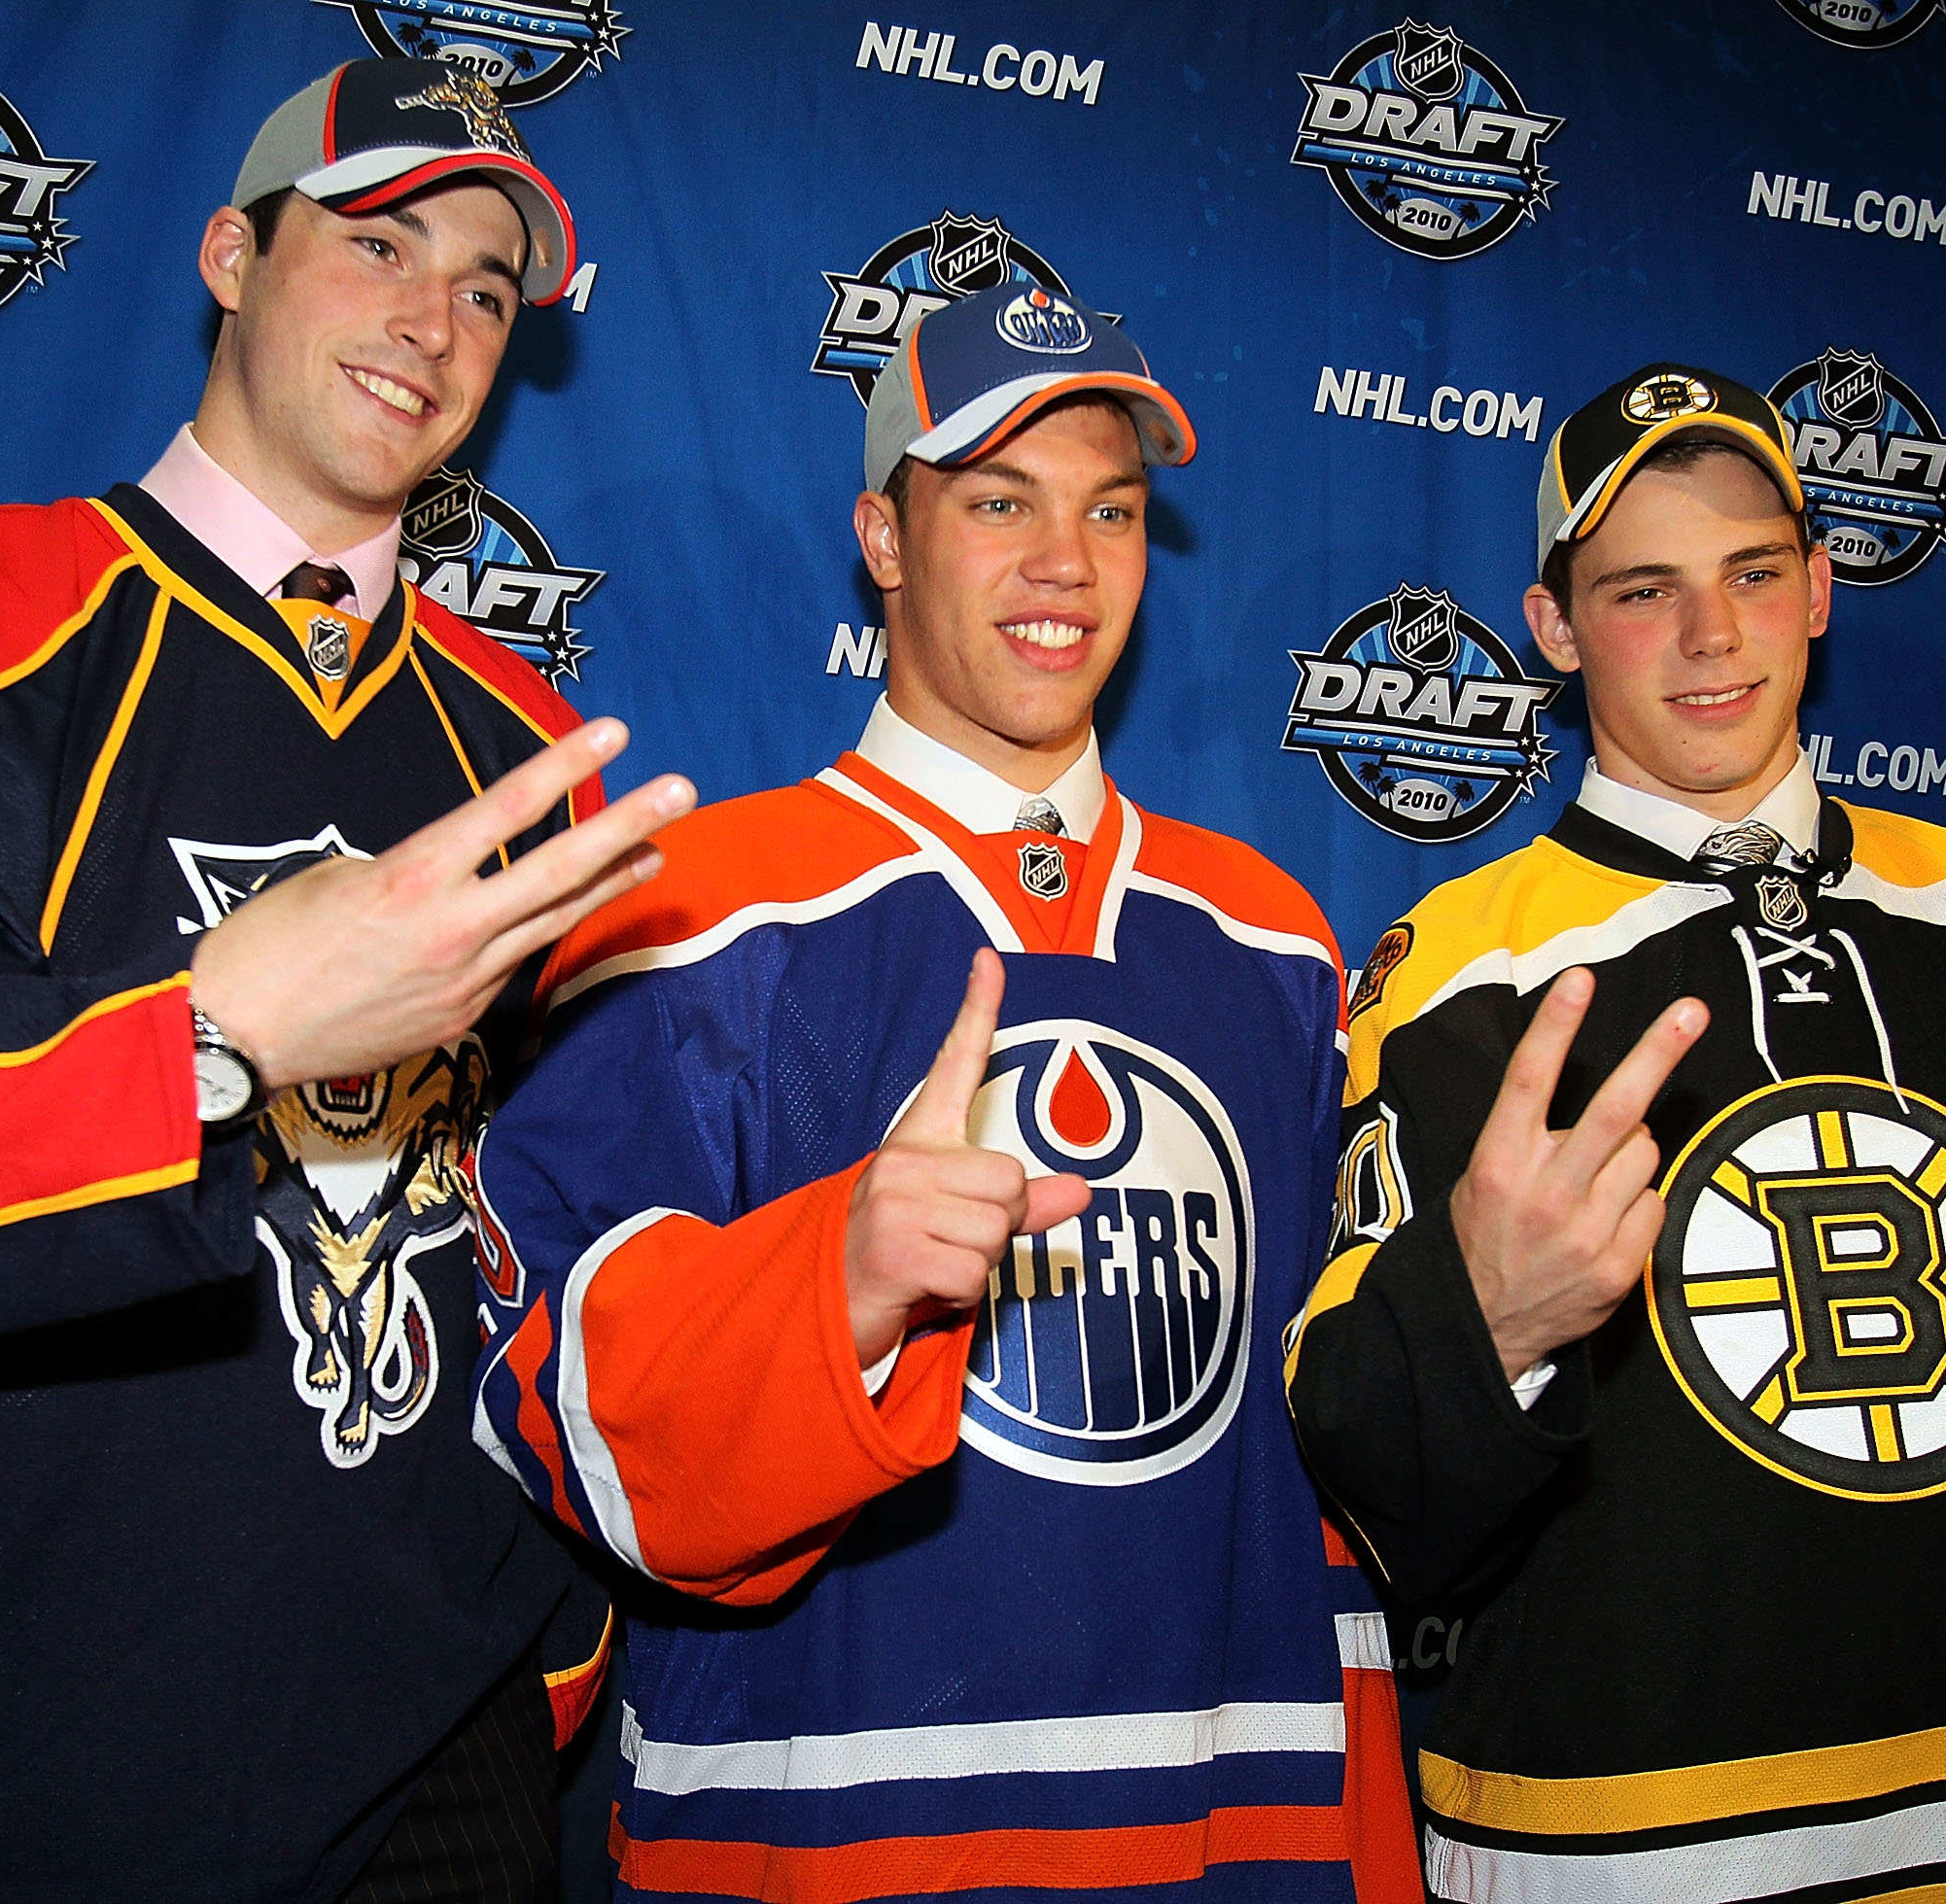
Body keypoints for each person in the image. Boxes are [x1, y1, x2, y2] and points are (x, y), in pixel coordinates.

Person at [0, 60, 694, 1904]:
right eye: (379, 242)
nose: (434, 322)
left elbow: (562, 1252)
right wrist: (216, 1028)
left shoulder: (534, 755)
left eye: (486, 288)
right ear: (230, 251)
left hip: (435, 1754)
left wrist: (546, 1640)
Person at [1286, 363, 1946, 1900]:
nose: (1711, 635)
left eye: (1751, 572)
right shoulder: (1455, 973)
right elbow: (1374, 1471)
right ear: (1553, 628)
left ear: (1821, 589)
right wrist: (1488, 1325)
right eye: (1642, 589)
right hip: (1640, 1859)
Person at [466, 284, 1421, 1899]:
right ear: (885, 540)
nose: (1067, 562)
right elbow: (550, 1421)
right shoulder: (687, 906)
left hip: (1234, 1844)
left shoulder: (1270, 933)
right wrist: (826, 1282)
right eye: (998, 502)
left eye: (1110, 507)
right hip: (826, 1851)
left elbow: (1304, 1462)